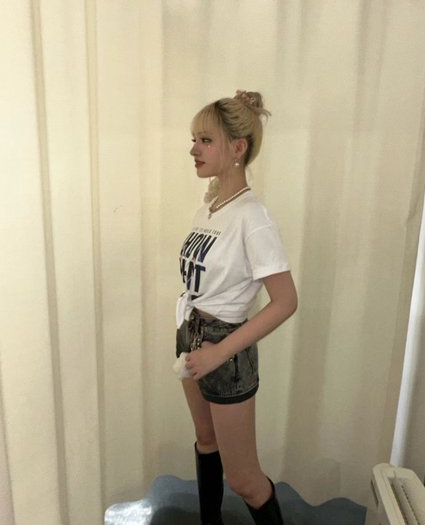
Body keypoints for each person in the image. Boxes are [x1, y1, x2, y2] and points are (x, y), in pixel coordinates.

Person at [175, 90, 297, 525]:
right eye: (194, 139)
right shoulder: (209, 208)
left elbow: (285, 301)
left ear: (237, 148)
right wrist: (192, 342)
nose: (194, 149)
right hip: (191, 334)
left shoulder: (253, 217)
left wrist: (218, 353)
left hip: (225, 350)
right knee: (205, 440)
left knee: (245, 480)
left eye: (205, 140)